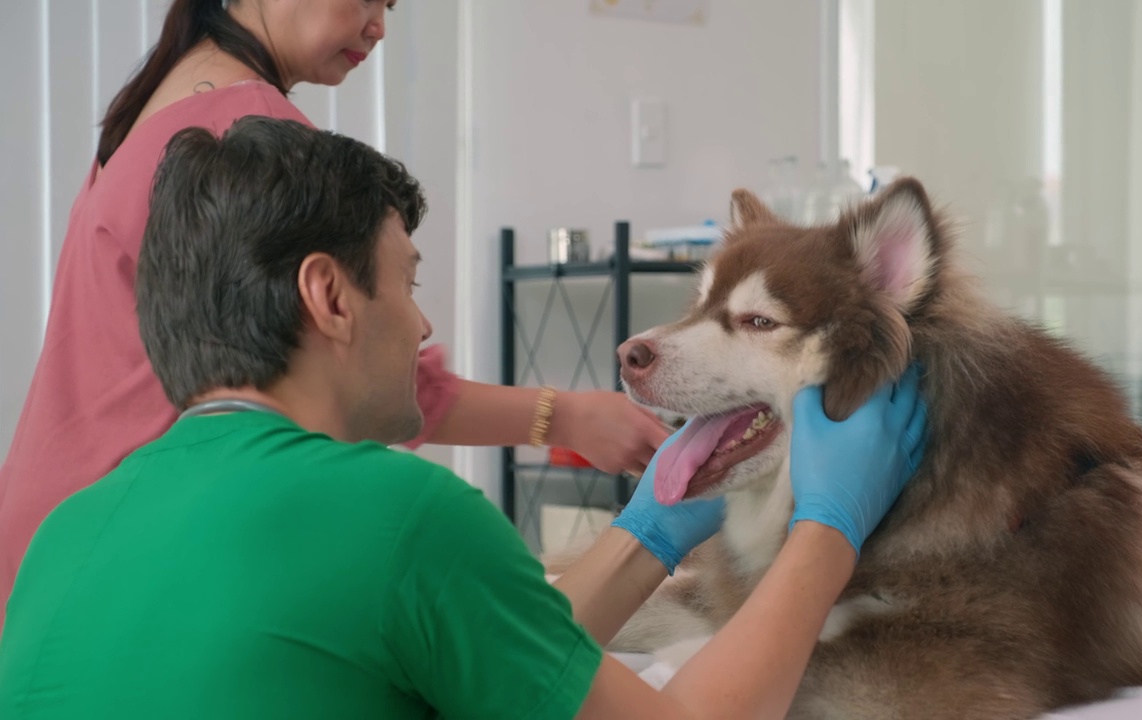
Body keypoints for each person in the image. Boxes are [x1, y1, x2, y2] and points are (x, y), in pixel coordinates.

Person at [0, 117, 927, 719]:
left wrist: (648, 531)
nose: (424, 322)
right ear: (328, 296)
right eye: (407, 281)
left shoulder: (68, 533)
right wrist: (825, 533)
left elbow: (494, 647)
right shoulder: (395, 512)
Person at [0, 0, 668, 629]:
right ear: (330, 293)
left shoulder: (161, 102)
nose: (378, 27)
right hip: (128, 556)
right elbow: (378, 372)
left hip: (55, 536)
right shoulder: (248, 140)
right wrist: (569, 416)